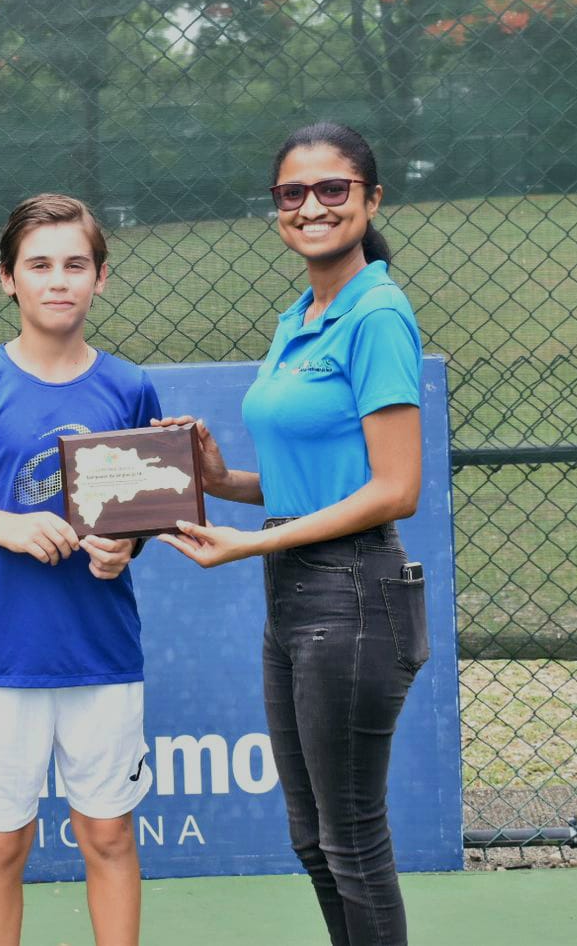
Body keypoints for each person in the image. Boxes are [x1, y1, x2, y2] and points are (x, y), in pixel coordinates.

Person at [156, 123, 428, 946]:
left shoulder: (377, 314)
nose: (312, 207)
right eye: (292, 194)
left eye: (333, 189)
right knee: (313, 840)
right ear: (277, 209)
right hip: (299, 595)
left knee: (351, 838)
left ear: (371, 199)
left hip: (353, 593)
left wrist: (251, 543)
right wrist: (219, 481)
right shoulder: (300, 316)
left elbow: (395, 489)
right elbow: (316, 479)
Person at [0, 192, 159, 946]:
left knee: (108, 836)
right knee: (0, 844)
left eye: (75, 264)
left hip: (102, 655)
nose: (58, 280)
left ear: (101, 278)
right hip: (3, 657)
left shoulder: (130, 387)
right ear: (7, 280)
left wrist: (125, 547)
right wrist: (9, 528)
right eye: (39, 264)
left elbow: (143, 513)